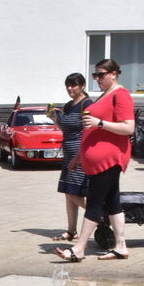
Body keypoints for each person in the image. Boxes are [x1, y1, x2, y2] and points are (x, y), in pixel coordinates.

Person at [53, 58, 135, 262]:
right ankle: (121, 246)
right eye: (95, 75)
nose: (97, 79)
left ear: (114, 74)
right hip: (97, 159)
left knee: (94, 203)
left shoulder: (121, 95)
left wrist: (99, 122)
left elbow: (128, 127)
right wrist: (80, 156)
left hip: (109, 159)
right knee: (113, 202)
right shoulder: (105, 95)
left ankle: (79, 249)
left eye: (101, 74)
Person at [52, 72, 92, 242]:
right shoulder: (68, 106)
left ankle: (101, 215)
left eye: (74, 85)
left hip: (80, 153)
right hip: (68, 153)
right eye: (68, 85)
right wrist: (55, 118)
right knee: (69, 191)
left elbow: (88, 130)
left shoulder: (87, 103)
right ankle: (71, 231)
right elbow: (66, 128)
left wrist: (82, 154)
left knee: (75, 193)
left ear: (82, 85)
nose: (70, 88)